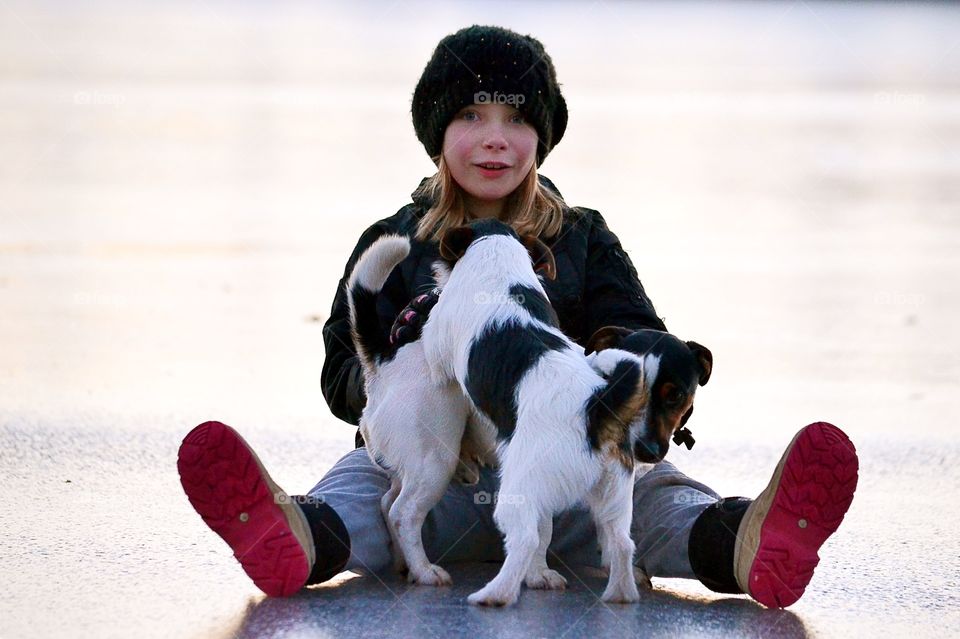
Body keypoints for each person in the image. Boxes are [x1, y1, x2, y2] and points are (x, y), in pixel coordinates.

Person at [177, 25, 859, 608]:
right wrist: (403, 368)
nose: (494, 140)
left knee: (651, 496)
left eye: (516, 120)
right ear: (437, 132)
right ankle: (293, 534)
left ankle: (745, 540)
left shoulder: (583, 237)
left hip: (561, 482)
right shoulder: (398, 238)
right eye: (471, 117)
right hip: (436, 476)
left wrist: (599, 364)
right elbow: (339, 371)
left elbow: (635, 336)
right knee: (364, 487)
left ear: (544, 134)